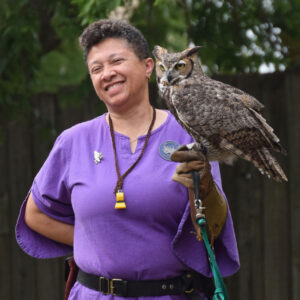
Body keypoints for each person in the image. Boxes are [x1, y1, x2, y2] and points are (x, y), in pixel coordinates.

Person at [16, 19, 239, 299]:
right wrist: (96, 242)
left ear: (148, 67)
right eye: (96, 69)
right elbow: (34, 215)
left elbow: (210, 229)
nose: (106, 73)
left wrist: (203, 187)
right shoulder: (74, 141)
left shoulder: (189, 134)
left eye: (116, 61)